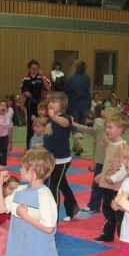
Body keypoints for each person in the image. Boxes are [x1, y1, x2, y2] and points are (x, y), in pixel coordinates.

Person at [93, 110, 129, 242]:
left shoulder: (122, 147)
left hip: (116, 187)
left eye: (110, 127)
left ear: (120, 129)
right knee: (107, 210)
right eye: (107, 127)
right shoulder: (111, 145)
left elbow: (125, 168)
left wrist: (112, 179)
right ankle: (107, 234)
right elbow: (109, 164)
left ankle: (125, 239)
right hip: (107, 185)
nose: (107, 130)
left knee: (119, 213)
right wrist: (102, 174)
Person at [44, 92, 81, 221]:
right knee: (63, 185)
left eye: (54, 102)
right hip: (51, 159)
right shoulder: (50, 119)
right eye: (49, 101)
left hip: (62, 160)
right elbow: (49, 136)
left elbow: (65, 124)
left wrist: (53, 116)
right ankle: (74, 209)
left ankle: (53, 217)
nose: (50, 104)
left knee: (54, 186)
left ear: (63, 105)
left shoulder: (66, 117)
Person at [75, 103, 108, 213]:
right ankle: (94, 205)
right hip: (101, 162)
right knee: (97, 184)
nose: (104, 122)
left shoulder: (115, 135)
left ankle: (112, 206)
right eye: (104, 119)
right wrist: (74, 124)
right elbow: (88, 129)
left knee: (110, 187)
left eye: (107, 120)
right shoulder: (100, 130)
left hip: (111, 164)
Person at [21, 59, 51, 149]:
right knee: (30, 126)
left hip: (40, 104)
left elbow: (49, 88)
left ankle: (43, 146)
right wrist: (25, 93)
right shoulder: (25, 78)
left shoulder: (42, 76)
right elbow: (22, 90)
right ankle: (29, 147)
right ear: (29, 69)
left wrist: (42, 76)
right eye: (33, 69)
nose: (34, 70)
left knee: (43, 124)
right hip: (30, 104)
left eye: (36, 69)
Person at [63, 60, 91, 156]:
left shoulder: (70, 79)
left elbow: (65, 92)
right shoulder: (87, 78)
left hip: (74, 104)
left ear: (75, 67)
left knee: (74, 123)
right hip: (86, 104)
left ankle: (78, 142)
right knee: (81, 124)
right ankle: (76, 144)